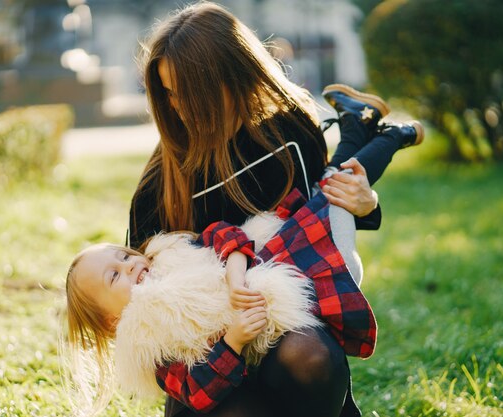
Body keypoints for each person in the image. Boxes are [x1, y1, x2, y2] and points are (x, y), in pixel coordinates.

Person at [122, 2, 424, 416]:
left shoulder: (290, 132)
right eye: (169, 93)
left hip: (284, 326)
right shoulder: (160, 185)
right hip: (210, 358)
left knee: (310, 354)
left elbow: (318, 216)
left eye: (189, 93)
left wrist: (366, 203)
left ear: (233, 77)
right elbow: (140, 294)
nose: (178, 107)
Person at [66, 185, 377, 416]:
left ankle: (370, 132)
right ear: (112, 321)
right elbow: (197, 391)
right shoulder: (147, 338)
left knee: (310, 354)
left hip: (270, 343)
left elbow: (221, 234)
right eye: (114, 276)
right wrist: (232, 343)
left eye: (124, 255)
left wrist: (235, 268)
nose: (130, 264)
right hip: (225, 394)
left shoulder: (172, 255)